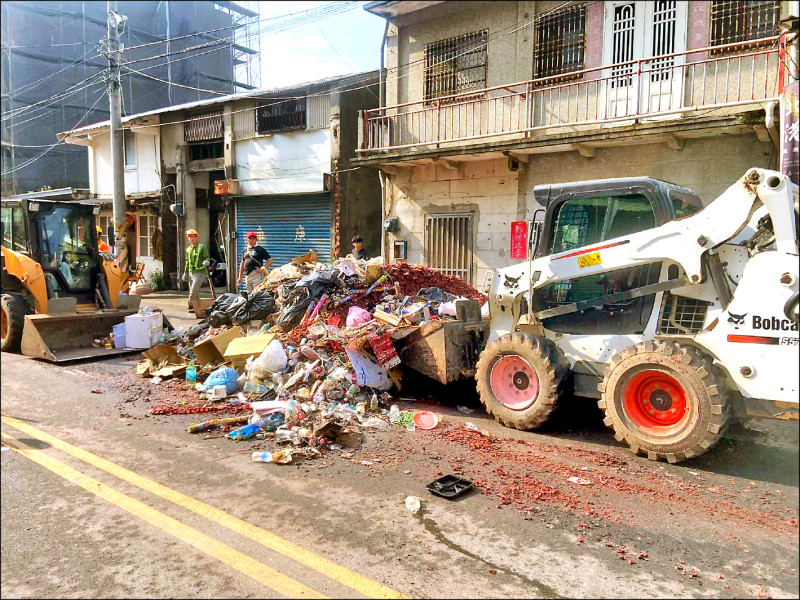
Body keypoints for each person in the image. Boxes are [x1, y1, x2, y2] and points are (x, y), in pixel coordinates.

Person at [184, 229, 209, 313]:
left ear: (197, 237)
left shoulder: (202, 247)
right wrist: (185, 272)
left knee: (193, 291)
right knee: (195, 292)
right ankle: (198, 308)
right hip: (192, 272)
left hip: (200, 272)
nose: (192, 238)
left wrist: (206, 261)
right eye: (190, 237)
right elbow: (187, 261)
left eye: (193, 237)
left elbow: (207, 257)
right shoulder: (188, 249)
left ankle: (190, 305)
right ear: (188, 238)